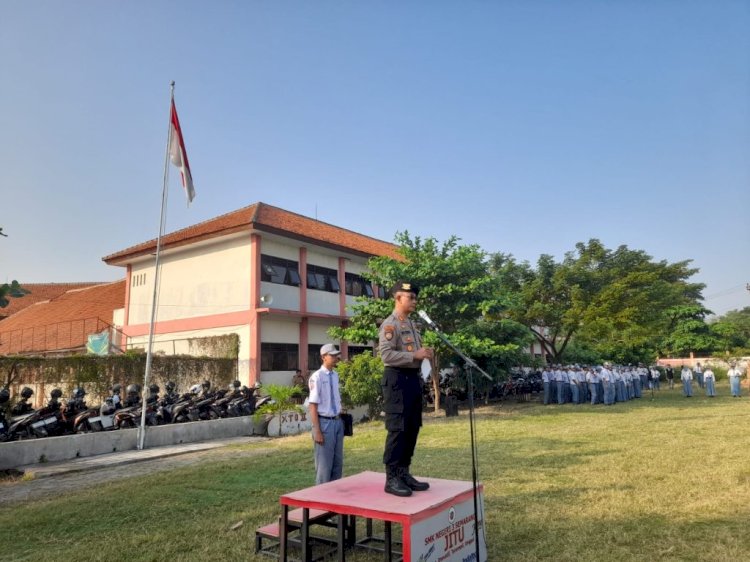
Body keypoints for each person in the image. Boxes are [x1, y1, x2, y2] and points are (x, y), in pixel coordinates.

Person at [379, 281, 433, 497]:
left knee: (412, 427)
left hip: (412, 379)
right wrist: (414, 356)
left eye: (415, 297)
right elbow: (386, 355)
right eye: (410, 297)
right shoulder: (390, 324)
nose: (414, 301)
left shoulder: (411, 324)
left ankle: (404, 473)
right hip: (396, 380)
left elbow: (415, 352)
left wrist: (425, 354)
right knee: (398, 429)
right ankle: (391, 478)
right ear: (398, 298)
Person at [308, 343, 344, 484]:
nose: (336, 358)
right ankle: (320, 500)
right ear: (323, 357)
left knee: (337, 464)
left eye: (336, 355)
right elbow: (313, 405)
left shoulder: (335, 375)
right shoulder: (316, 377)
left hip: (337, 422)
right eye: (332, 355)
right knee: (324, 466)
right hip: (324, 423)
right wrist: (317, 430)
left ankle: (334, 499)